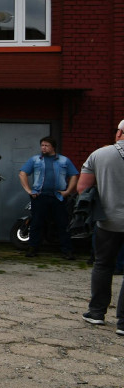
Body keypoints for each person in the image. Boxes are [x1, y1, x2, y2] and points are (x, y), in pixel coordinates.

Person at [79, 119, 124, 335]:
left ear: (119, 133)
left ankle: (96, 313)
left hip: (107, 221)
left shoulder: (99, 154)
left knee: (103, 265)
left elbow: (83, 189)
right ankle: (123, 323)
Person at [19, 136, 79, 259]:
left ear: (53, 147)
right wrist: (29, 190)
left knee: (63, 224)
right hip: (39, 196)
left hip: (58, 197)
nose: (43, 148)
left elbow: (74, 175)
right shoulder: (35, 160)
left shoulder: (64, 160)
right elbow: (22, 173)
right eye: (42, 145)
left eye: (46, 145)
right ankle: (32, 248)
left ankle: (67, 250)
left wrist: (68, 191)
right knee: (36, 223)